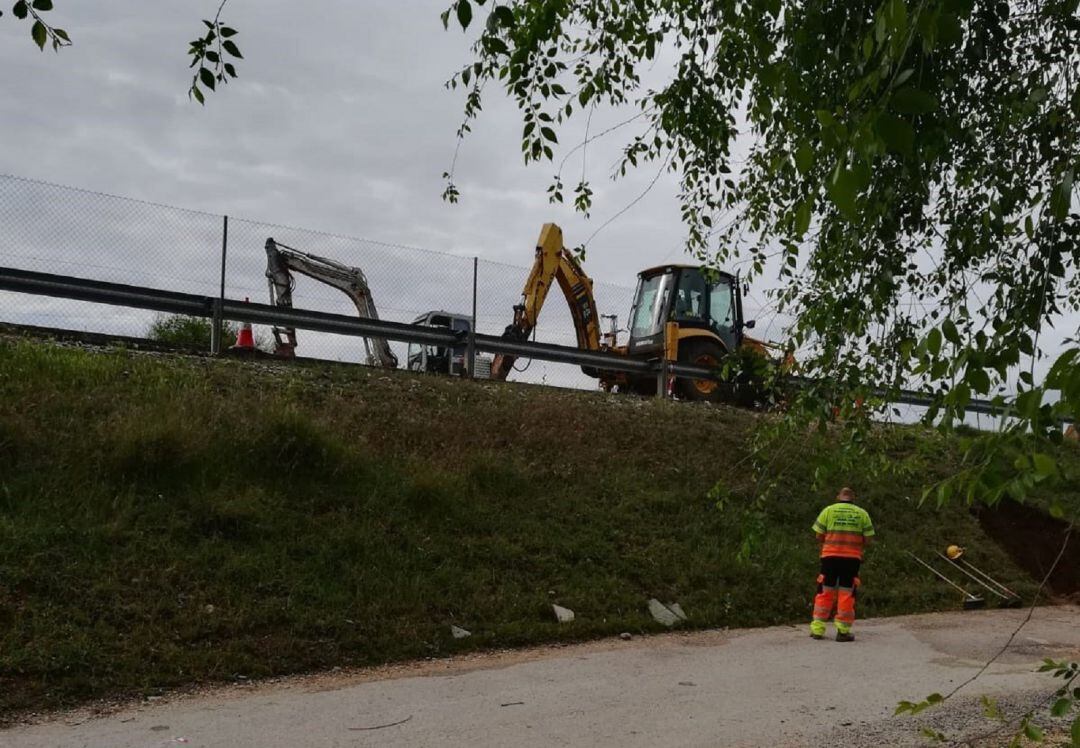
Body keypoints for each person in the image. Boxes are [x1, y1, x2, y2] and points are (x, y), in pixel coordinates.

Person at [810, 487, 875, 642]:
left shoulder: (828, 511)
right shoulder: (862, 513)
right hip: (851, 559)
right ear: (854, 498)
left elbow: (819, 535)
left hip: (829, 557)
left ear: (838, 496)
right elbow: (868, 539)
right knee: (847, 593)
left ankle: (818, 630)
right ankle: (843, 631)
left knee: (824, 590)